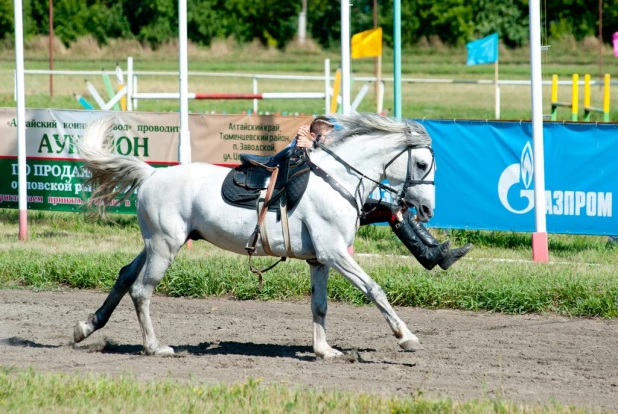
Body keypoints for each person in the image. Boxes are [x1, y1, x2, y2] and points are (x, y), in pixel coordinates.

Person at [272, 116, 472, 270]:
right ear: (314, 136)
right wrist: (308, 146)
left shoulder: (323, 147)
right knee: (392, 211)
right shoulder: (301, 145)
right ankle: (432, 255)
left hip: (342, 205)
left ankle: (435, 253)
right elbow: (293, 170)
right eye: (327, 137)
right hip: (327, 211)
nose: (331, 140)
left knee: (396, 210)